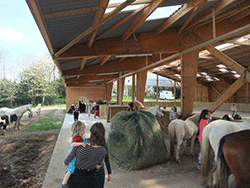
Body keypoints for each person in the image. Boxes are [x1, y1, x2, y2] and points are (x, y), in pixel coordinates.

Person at [63, 122, 107, 188]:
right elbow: (98, 166)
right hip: (90, 180)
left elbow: (66, 162)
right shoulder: (103, 151)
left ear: (91, 133)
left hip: (75, 179)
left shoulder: (80, 146)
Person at [59, 121, 87, 188]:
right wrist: (81, 143)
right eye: (83, 129)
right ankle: (63, 183)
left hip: (76, 157)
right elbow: (73, 144)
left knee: (71, 170)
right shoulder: (77, 137)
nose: (84, 131)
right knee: (70, 170)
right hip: (73, 158)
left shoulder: (80, 137)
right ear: (80, 130)